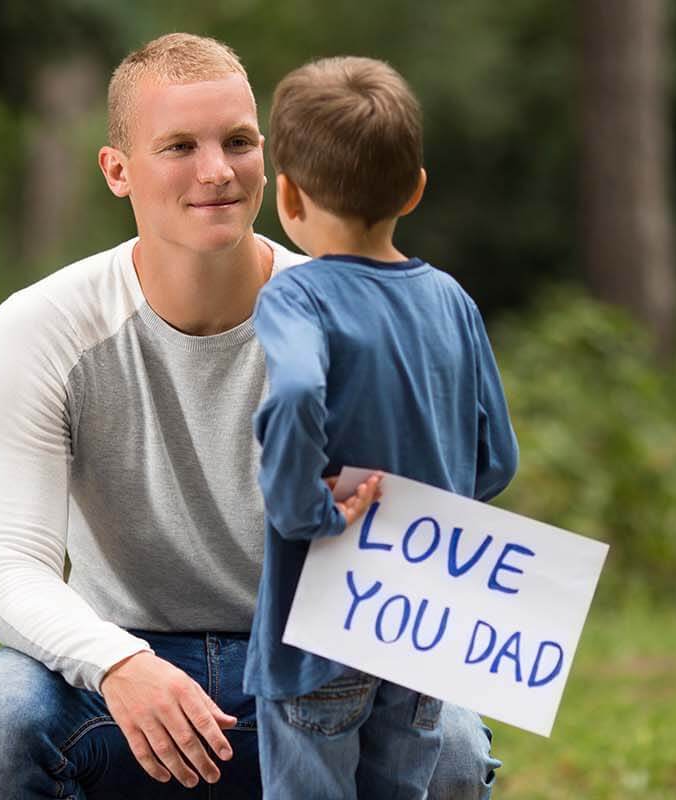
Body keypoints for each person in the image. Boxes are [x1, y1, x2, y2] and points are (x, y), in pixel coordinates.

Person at [0, 33, 502, 799]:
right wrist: (118, 663)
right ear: (117, 170)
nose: (217, 171)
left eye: (238, 142)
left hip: (309, 665)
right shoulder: (42, 327)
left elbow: (447, 501)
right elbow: (11, 568)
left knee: (454, 746)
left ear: (270, 160)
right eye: (179, 146)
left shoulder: (354, 315)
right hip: (124, 674)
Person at [245, 55, 520, 798]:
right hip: (420, 622)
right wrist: (432, 499)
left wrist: (305, 509)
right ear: (416, 188)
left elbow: (296, 388)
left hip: (322, 625)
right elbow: (498, 460)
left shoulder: (298, 298)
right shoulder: (452, 300)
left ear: (287, 194)